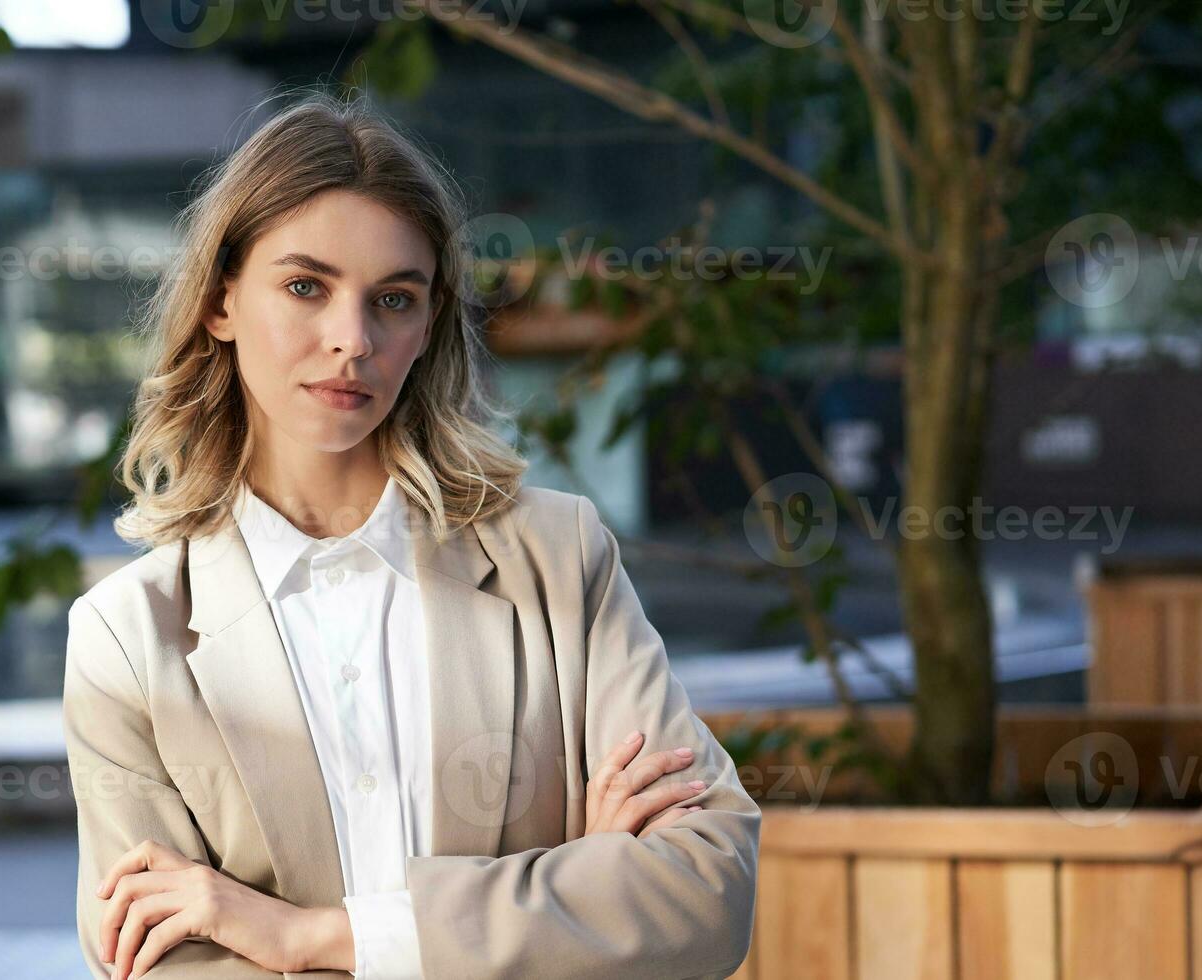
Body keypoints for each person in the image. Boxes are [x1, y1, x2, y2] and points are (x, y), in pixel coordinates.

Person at [63, 92, 759, 980]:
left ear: (428, 325)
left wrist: (298, 936)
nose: (352, 340)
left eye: (393, 298)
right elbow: (163, 966)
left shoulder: (557, 559)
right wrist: (565, 896)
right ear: (219, 301)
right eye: (305, 286)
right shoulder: (127, 641)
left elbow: (703, 891)